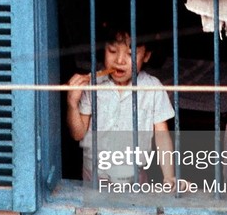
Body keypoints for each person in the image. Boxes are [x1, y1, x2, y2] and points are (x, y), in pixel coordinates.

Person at [66, 21, 177, 187]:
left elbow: (162, 138)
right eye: (112, 51)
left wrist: (169, 176)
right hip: (93, 176)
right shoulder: (92, 84)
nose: (119, 60)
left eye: (130, 53)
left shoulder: (153, 88)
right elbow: (77, 134)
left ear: (146, 56)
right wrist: (72, 104)